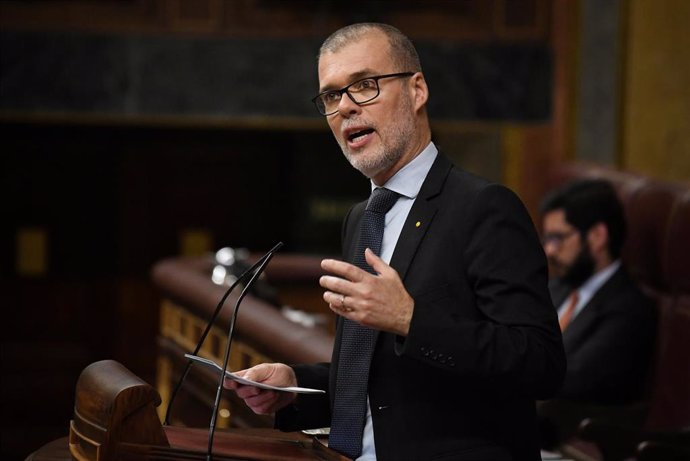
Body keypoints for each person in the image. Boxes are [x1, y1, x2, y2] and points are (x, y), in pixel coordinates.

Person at [225, 23, 565, 461]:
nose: (345, 107)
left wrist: (410, 318)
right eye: (331, 95)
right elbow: (383, 380)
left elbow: (541, 365)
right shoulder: (362, 218)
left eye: (364, 85)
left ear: (417, 90)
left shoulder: (484, 208)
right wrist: (294, 386)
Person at [537, 179, 657, 447]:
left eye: (558, 238)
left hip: (575, 439)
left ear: (598, 236)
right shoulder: (555, 287)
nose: (549, 250)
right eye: (546, 238)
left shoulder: (628, 310)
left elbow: (569, 379)